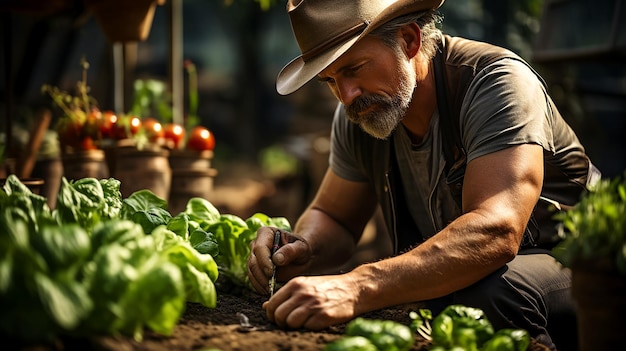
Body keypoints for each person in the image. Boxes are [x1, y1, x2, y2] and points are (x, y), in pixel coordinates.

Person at [247, 1, 601, 350]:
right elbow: (334, 217)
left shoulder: (496, 83)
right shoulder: (363, 114)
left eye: (354, 68)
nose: (346, 96)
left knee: (484, 295)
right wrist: (302, 248)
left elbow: (496, 231)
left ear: (408, 40)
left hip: (590, 271)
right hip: (491, 278)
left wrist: (357, 285)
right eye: (330, 80)